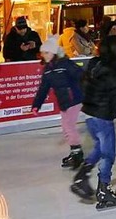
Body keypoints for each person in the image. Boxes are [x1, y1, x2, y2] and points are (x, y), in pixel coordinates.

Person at [70, 35, 116, 211]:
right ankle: (104, 191)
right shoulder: (115, 69)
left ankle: (82, 176)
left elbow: (82, 82)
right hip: (102, 117)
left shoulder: (95, 63)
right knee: (108, 154)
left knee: (99, 148)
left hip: (89, 113)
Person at [31, 35, 85, 169]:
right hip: (64, 101)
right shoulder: (48, 70)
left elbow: (81, 75)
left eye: (47, 52)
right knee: (67, 127)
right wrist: (36, 105)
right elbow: (43, 89)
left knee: (68, 127)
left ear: (54, 52)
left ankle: (77, 153)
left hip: (73, 99)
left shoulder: (65, 64)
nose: (44, 55)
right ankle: (75, 152)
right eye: (43, 53)